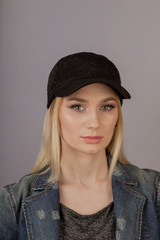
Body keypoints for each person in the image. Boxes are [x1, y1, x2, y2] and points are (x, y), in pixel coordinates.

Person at [0, 52, 159, 240]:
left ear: (117, 117)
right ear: (55, 115)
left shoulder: (153, 191)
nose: (94, 122)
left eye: (106, 107)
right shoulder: (13, 202)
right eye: (77, 107)